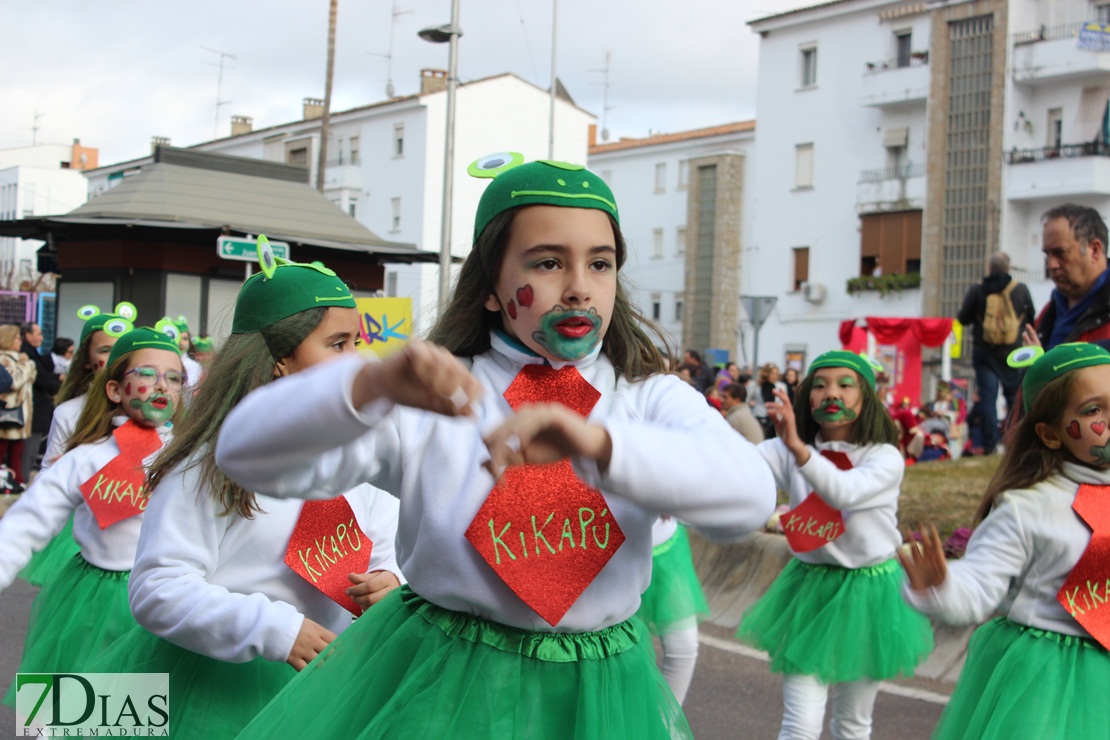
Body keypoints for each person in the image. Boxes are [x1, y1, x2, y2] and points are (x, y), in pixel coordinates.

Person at [217, 156, 776, 738]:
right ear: (489, 286)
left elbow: (751, 500)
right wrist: (366, 384)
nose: (581, 287)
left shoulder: (648, 399)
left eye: (601, 263)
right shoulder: (431, 398)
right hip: (444, 690)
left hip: (603, 698)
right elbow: (245, 455)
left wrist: (599, 446)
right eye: (549, 262)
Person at [91, 255, 403, 738]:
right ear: (279, 361)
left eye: (357, 343)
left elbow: (388, 538)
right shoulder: (209, 466)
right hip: (223, 691)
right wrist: (272, 629)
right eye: (337, 344)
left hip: (334, 683)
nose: (357, 359)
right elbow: (158, 588)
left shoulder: (363, 453)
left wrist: (390, 577)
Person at [900, 342, 1110, 739]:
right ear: (1049, 434)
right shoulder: (1028, 506)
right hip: (1045, 683)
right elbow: (980, 582)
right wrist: (942, 587)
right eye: (1093, 410)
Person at [736, 350, 933, 740]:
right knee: (800, 724)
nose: (832, 394)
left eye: (846, 385)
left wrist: (800, 451)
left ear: (866, 397)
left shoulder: (884, 457)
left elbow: (845, 493)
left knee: (852, 724)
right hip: (808, 589)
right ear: (807, 396)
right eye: (821, 385)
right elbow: (731, 467)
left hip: (871, 593)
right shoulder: (786, 448)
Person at [0, 327, 184, 707]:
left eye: (174, 377)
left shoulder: (190, 457)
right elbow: (29, 520)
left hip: (161, 597)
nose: (162, 385)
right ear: (115, 390)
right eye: (147, 374)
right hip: (89, 600)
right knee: (74, 711)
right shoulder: (87, 458)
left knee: (140, 714)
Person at [16, 308, 133, 587]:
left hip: (135, 529)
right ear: (86, 360)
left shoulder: (149, 414)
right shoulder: (69, 413)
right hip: (85, 528)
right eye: (105, 350)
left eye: (123, 350)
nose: (116, 358)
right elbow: (47, 471)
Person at [957, 251, 1035, 454]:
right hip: (1012, 353)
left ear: (989, 268)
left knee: (987, 398)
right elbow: (1031, 317)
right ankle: (1015, 443)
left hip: (984, 353)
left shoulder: (978, 290)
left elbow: (963, 318)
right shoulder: (1020, 290)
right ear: (1008, 268)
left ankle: (990, 445)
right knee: (1013, 397)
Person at [635, 516, 709, 705]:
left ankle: (667, 729)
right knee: (622, 656)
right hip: (610, 550)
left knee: (683, 648)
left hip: (666, 548)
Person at [1031, 204, 1110, 349]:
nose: (1051, 265)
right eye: (1047, 255)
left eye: (1060, 253)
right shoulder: (1048, 313)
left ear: (1094, 250)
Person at [20, 321, 62, 479]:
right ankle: (22, 478)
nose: (42, 338)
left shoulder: (32, 353)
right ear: (28, 336)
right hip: (32, 408)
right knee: (28, 449)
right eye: (38, 334)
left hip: (36, 407)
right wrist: (56, 385)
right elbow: (40, 376)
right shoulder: (25, 354)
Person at [0, 324, 36, 485]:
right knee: (3, 449)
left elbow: (30, 380)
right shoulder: (4, 358)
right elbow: (13, 382)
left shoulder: (18, 358)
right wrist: (25, 365)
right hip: (8, 412)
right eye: (17, 337)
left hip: (20, 414)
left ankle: (16, 482)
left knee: (17, 450)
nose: (20, 341)